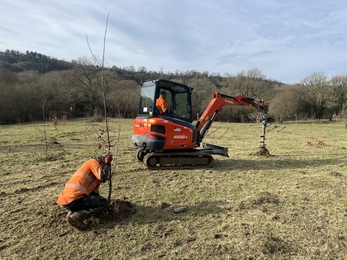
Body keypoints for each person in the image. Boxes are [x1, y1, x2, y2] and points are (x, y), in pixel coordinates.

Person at [56, 154, 112, 230]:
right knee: (104, 202)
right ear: (101, 163)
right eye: (103, 167)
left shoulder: (94, 177)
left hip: (68, 200)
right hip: (74, 199)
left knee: (100, 202)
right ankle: (75, 218)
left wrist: (100, 209)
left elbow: (95, 195)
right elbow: (103, 177)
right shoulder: (92, 162)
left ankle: (70, 215)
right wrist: (108, 164)